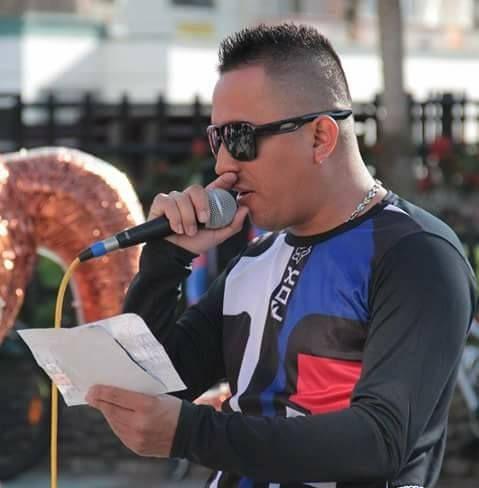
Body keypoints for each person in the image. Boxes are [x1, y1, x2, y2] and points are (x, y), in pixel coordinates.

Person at [86, 23, 477, 488]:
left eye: (241, 137)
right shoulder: (256, 259)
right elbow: (155, 384)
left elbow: (379, 440)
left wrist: (195, 432)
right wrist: (165, 262)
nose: (223, 163)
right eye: (217, 139)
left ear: (320, 137)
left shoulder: (417, 254)